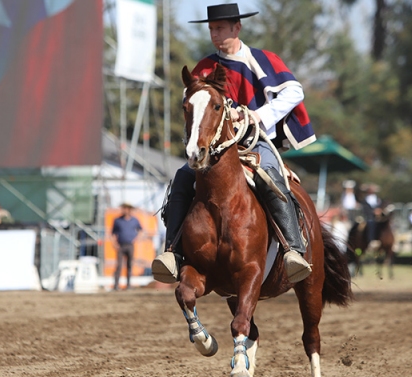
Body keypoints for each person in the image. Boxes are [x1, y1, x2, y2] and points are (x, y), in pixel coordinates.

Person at [151, 3, 317, 284]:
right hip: (215, 150)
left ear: (237, 28)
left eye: (220, 28)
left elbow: (294, 91)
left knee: (271, 177)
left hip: (254, 142)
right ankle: (172, 252)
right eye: (212, 29)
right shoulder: (204, 68)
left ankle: (293, 250)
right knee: (181, 178)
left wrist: (257, 115)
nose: (215, 34)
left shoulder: (261, 60)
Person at [111, 203, 142, 290]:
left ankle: (128, 285)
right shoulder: (117, 220)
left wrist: (136, 240)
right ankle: (116, 285)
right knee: (119, 266)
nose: (124, 210)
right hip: (120, 246)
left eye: (126, 208)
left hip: (130, 245)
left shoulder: (134, 220)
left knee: (129, 265)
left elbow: (141, 231)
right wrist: (115, 244)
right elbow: (113, 234)